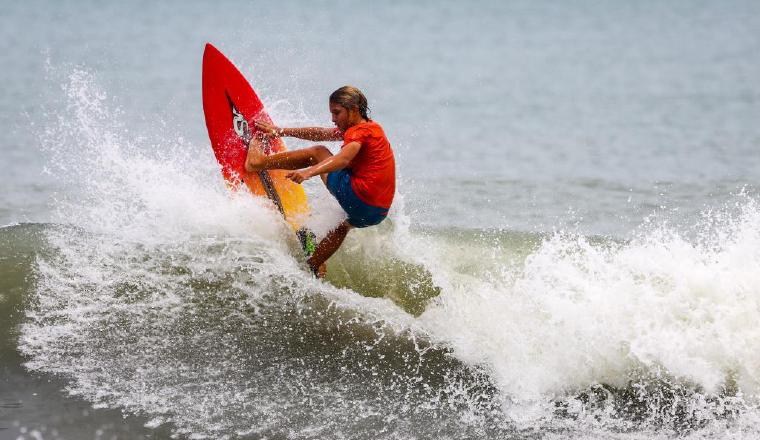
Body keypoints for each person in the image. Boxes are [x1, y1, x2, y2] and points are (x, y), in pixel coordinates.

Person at [245, 86, 395, 278]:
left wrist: (309, 172)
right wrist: (281, 131)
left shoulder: (359, 133)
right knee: (343, 226)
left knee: (318, 152)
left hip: (359, 197)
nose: (333, 118)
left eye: (337, 113)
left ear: (354, 110)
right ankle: (315, 264)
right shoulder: (371, 129)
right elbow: (321, 132)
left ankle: (256, 162)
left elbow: (343, 159)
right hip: (376, 213)